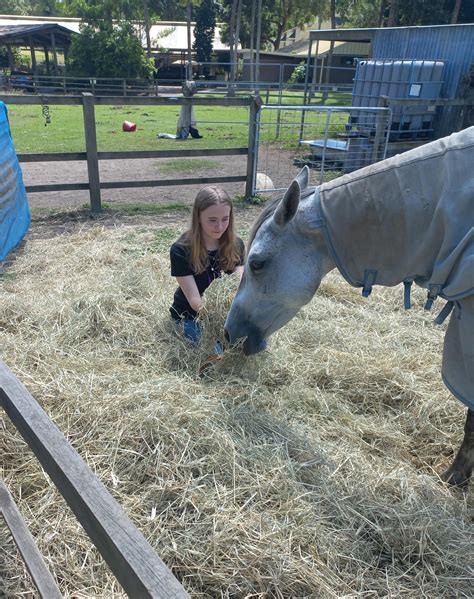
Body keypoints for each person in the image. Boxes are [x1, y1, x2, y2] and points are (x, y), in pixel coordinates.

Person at [170, 186, 245, 348]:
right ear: (198, 217)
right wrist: (218, 316)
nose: (219, 226)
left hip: (227, 315)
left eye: (225, 219)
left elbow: (239, 283)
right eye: (212, 220)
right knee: (216, 352)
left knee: (248, 344)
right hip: (190, 315)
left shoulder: (236, 244)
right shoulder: (181, 250)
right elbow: (194, 300)